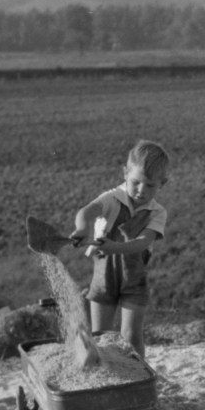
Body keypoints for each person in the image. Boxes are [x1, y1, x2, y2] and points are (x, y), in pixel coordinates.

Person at [69, 140, 169, 359]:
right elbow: (86, 212)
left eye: (150, 185)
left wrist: (115, 247)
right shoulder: (112, 199)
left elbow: (143, 242)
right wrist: (82, 228)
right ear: (125, 173)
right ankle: (100, 379)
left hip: (135, 280)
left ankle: (139, 379)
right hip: (103, 278)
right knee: (100, 335)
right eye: (136, 182)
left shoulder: (157, 213)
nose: (141, 191)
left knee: (132, 336)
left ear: (163, 183)